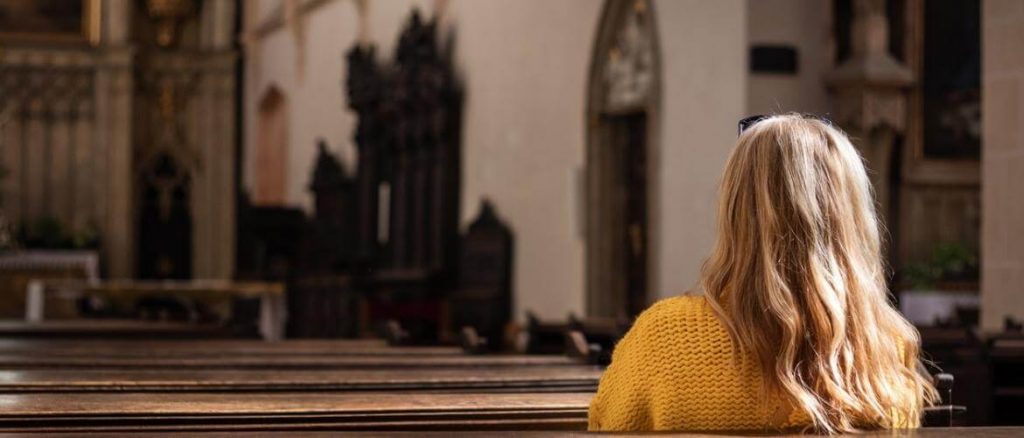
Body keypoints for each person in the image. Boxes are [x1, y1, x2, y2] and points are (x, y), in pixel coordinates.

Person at [588, 114, 938, 433]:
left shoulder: (663, 337)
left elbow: (605, 426)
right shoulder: (885, 349)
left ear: (735, 211)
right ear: (851, 219)